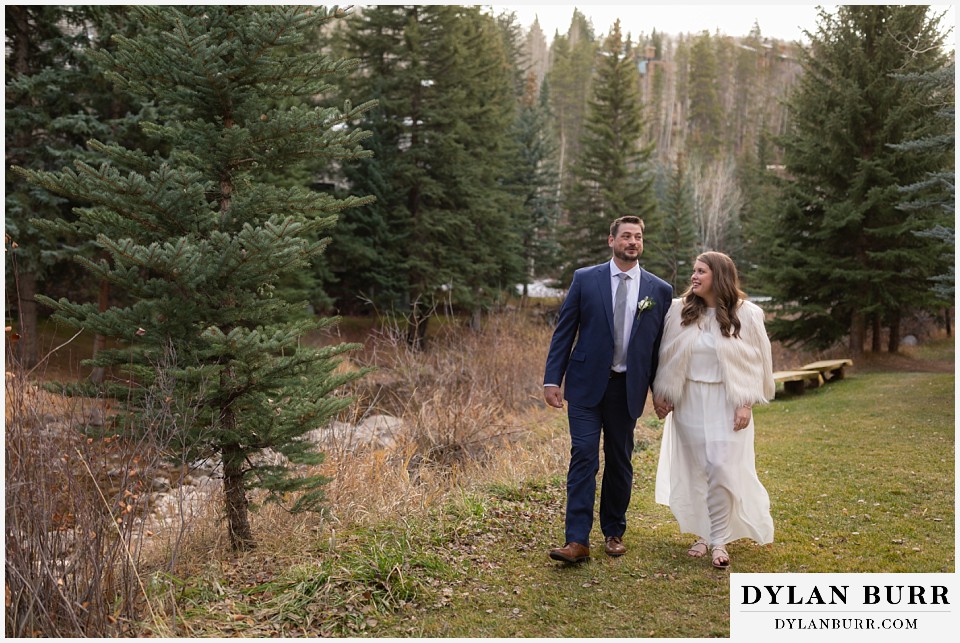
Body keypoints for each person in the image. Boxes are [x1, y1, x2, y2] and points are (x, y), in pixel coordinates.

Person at [543, 216, 672, 562]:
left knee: (619, 460)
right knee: (583, 454)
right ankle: (576, 541)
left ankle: (614, 531)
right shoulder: (585, 279)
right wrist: (552, 379)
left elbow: (659, 347)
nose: (632, 241)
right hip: (585, 386)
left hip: (627, 390)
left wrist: (661, 389)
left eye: (638, 237)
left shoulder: (659, 290)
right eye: (626, 236)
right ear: (611, 240)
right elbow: (564, 332)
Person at [652, 251, 775, 570]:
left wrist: (745, 401)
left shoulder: (747, 314)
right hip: (689, 400)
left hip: (726, 400)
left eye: (701, 271)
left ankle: (720, 539)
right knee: (696, 469)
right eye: (693, 270)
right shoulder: (678, 311)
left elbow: (757, 361)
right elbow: (667, 355)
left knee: (720, 466)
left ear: (718, 276)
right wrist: (663, 392)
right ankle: (704, 535)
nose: (693, 276)